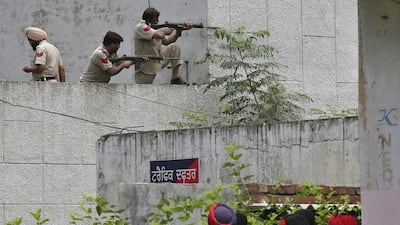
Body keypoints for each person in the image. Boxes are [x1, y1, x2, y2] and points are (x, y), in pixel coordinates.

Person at [134, 7, 192, 84]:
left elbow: (168, 41)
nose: (158, 21)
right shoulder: (141, 27)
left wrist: (179, 30)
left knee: (174, 47)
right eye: (156, 19)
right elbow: (160, 35)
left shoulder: (154, 31)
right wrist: (165, 30)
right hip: (145, 66)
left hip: (157, 61)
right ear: (148, 20)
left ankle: (175, 78)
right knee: (142, 89)